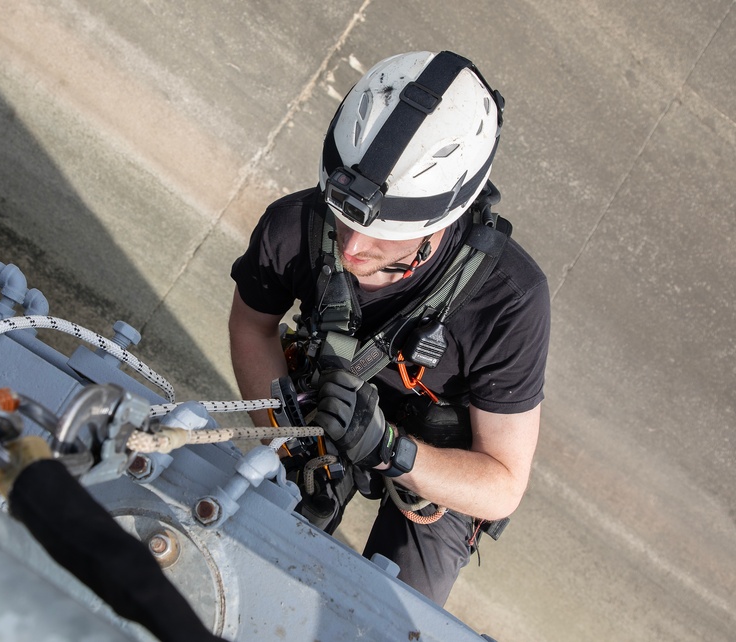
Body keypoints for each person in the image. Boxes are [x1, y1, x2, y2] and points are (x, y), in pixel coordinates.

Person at [228, 50, 550, 606]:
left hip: (441, 458)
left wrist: (391, 451)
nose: (352, 247)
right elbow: (252, 330)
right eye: (344, 217)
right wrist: (292, 445)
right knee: (247, 548)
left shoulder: (509, 301)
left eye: (387, 233)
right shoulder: (295, 225)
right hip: (318, 403)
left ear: (445, 219)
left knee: (391, 612)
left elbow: (501, 483)